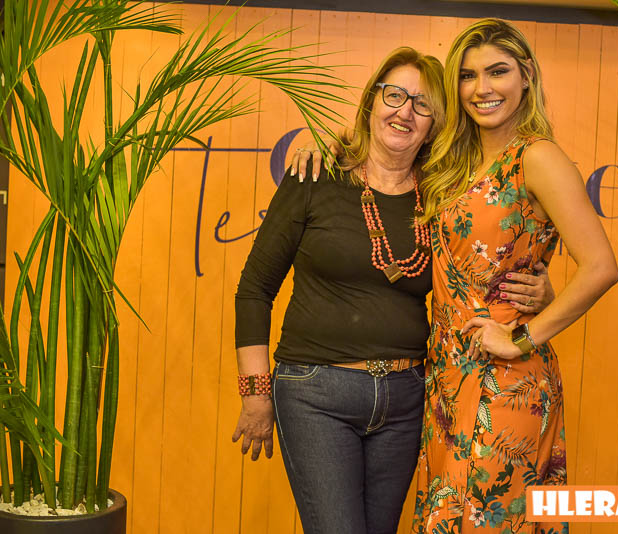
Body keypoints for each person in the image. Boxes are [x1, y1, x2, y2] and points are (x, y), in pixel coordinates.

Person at [232, 47, 554, 534]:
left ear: (435, 124)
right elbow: (254, 290)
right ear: (371, 102)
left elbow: (492, 258)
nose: (405, 111)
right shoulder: (316, 175)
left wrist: (542, 291)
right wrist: (256, 395)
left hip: (407, 401)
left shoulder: (443, 195)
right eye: (394, 95)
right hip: (316, 394)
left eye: (423, 104)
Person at [409, 19, 618, 534]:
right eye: (468, 76)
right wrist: (325, 149)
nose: (482, 88)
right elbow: (379, 147)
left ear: (526, 75)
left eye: (497, 71)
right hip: (447, 379)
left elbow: (601, 267)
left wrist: (521, 337)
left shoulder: (537, 157)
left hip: (506, 383)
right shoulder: (453, 161)